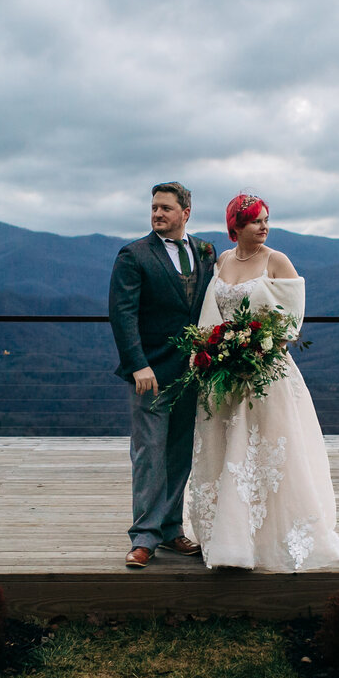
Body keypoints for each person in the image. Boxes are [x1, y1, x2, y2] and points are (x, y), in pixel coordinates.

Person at [185, 193, 339, 571]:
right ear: (236, 226)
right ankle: (227, 537)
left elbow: (291, 322)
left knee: (266, 454)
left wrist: (257, 350)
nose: (264, 226)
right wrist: (215, 351)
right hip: (225, 372)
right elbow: (213, 313)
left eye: (266, 219)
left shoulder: (277, 260)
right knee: (227, 450)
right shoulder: (224, 260)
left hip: (265, 372)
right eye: (256, 220)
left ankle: (267, 538)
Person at [109, 182, 217, 568]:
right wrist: (138, 363)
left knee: (180, 453)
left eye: (166, 208)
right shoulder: (133, 255)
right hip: (150, 372)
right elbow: (123, 314)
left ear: (185, 213)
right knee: (149, 454)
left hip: (193, 372)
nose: (157, 214)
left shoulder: (205, 251)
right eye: (154, 207)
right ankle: (144, 537)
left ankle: (171, 530)